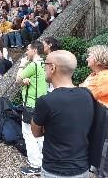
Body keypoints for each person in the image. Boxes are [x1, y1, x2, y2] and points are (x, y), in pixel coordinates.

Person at [31, 50, 94, 178]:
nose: (44, 69)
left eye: (45, 64)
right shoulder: (87, 95)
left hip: (54, 170)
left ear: (52, 68)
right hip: (82, 168)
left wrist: (47, 127)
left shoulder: (46, 101)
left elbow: (36, 132)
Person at [16, 41, 47, 175]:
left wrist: (22, 65)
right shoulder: (44, 63)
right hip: (42, 102)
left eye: (28, 49)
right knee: (40, 134)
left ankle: (35, 165)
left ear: (34, 50)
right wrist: (26, 81)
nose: (26, 52)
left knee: (29, 134)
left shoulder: (33, 65)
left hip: (31, 103)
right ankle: (43, 160)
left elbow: (17, 79)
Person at [80, 45, 108, 177]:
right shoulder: (94, 75)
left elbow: (86, 96)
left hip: (104, 124)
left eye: (90, 55)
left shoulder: (104, 78)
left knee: (103, 159)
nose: (87, 58)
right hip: (98, 121)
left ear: (98, 60)